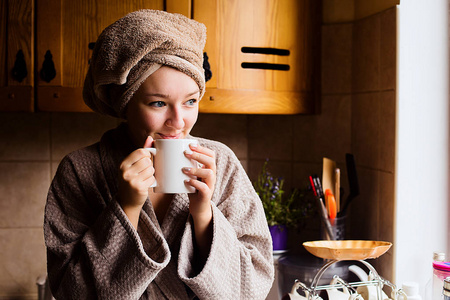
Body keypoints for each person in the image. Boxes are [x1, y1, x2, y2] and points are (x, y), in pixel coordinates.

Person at [44, 9, 274, 300]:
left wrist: (203, 213)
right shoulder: (80, 170)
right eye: (157, 103)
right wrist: (125, 208)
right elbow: (69, 292)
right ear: (125, 104)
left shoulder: (221, 162)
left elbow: (252, 287)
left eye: (190, 101)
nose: (178, 121)